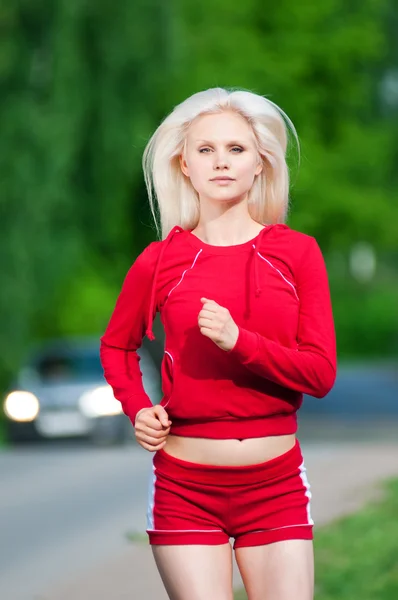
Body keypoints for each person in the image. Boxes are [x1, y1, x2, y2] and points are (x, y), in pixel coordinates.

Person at [100, 87, 337, 600]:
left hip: (276, 485)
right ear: (184, 165)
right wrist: (137, 408)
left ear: (261, 164)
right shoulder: (159, 261)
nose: (221, 163)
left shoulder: (297, 254)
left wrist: (239, 342)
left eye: (236, 149)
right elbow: (116, 347)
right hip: (186, 488)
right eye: (205, 150)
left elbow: (320, 375)